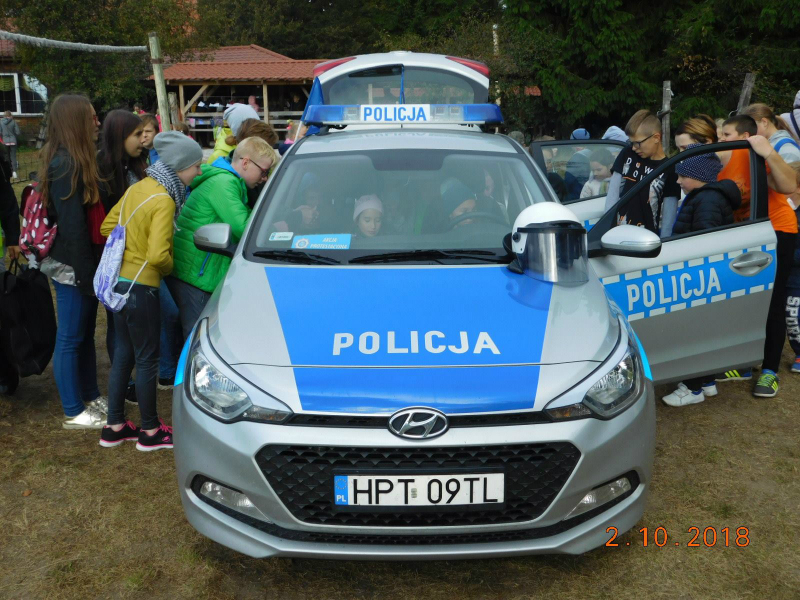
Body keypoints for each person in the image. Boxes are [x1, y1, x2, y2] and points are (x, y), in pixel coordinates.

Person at [98, 131, 203, 451]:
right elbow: (158, 256)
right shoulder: (164, 199)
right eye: (195, 167)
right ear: (179, 167)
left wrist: (132, 245)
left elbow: (107, 227)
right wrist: (172, 269)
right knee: (147, 361)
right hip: (142, 290)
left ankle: (114, 425)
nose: (198, 173)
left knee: (124, 356)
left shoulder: (137, 189)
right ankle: (150, 432)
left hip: (119, 286)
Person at [715, 117, 800, 396]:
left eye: (727, 134)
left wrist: (769, 152)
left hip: (778, 231)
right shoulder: (715, 162)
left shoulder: (752, 153)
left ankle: (769, 371)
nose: (722, 139)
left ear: (747, 135)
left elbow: (788, 186)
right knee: (744, 298)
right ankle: (744, 363)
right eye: (720, 134)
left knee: (772, 300)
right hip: (746, 234)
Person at [37, 94, 107, 429]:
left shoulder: (77, 160)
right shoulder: (64, 165)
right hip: (72, 266)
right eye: (92, 117)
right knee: (70, 336)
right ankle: (73, 410)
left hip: (82, 264)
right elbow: (73, 228)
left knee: (83, 334)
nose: (97, 122)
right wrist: (85, 276)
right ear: (76, 121)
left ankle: (91, 395)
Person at [169, 136, 276, 338]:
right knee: (197, 336)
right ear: (245, 162)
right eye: (264, 172)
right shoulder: (224, 183)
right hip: (196, 275)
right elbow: (245, 229)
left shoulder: (225, 179)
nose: (264, 178)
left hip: (192, 270)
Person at [604, 110, 681, 237]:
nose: (634, 147)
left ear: (656, 138)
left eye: (638, 143)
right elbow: (612, 195)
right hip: (616, 234)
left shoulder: (669, 169)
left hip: (646, 239)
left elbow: (669, 216)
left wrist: (665, 243)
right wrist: (605, 229)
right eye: (631, 142)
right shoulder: (627, 154)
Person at [1, 110, 21, 179]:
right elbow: (18, 132)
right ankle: (14, 172)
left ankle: (9, 170)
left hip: (5, 141)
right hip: (13, 141)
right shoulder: (13, 121)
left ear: (4, 115)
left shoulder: (1, 122)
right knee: (13, 157)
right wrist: (13, 135)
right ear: (10, 115)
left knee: (7, 157)